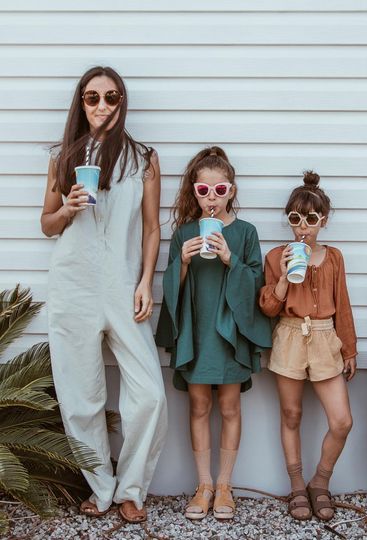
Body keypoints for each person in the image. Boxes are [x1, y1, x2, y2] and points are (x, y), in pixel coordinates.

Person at [41, 66, 167, 523]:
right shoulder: (63, 157)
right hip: (73, 284)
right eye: (92, 97)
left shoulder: (144, 159)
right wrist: (68, 207)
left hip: (122, 285)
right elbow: (47, 224)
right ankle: (101, 486)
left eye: (111, 97)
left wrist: (145, 283)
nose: (101, 106)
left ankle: (132, 487)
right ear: (81, 102)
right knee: (80, 396)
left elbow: (152, 228)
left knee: (150, 393)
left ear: (121, 102)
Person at [156, 146, 271, 520]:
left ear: (231, 191)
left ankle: (225, 485)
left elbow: (256, 281)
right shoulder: (184, 233)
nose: (211, 199)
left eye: (219, 191)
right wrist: (184, 263)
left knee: (230, 406)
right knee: (199, 406)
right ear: (194, 191)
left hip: (230, 335)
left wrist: (229, 259)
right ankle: (203, 484)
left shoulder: (246, 233)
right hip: (197, 332)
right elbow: (172, 288)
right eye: (203, 191)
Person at [259, 171, 357, 521]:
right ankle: (297, 485)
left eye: (311, 219)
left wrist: (348, 349)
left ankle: (320, 481)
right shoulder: (274, 257)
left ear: (323, 221)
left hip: (324, 337)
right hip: (288, 335)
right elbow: (269, 308)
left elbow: (341, 303)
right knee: (291, 414)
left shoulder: (334, 258)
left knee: (342, 420)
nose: (303, 226)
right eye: (295, 218)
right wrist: (285, 277)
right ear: (288, 219)